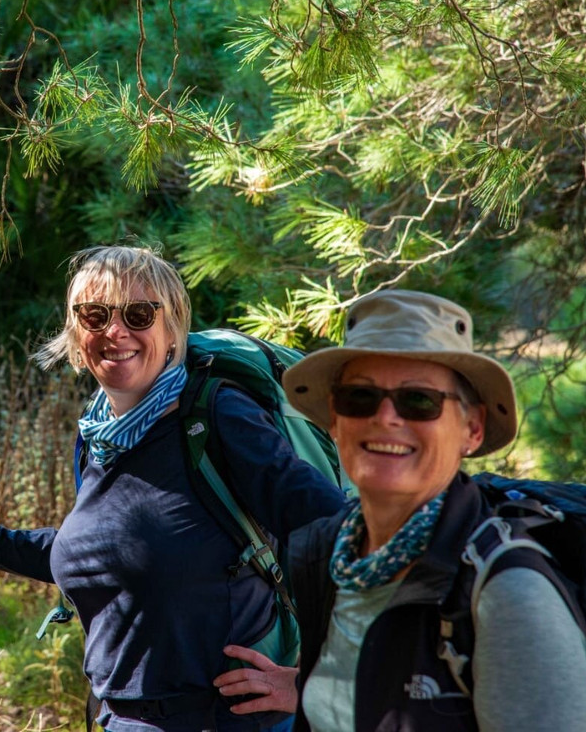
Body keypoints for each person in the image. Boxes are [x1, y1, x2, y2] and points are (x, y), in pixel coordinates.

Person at [0, 245, 347, 731]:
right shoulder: (97, 435)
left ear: (172, 329)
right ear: (76, 332)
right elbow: (113, 555)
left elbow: (335, 531)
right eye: (95, 315)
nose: (115, 331)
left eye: (138, 313)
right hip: (119, 717)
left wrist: (314, 681)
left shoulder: (216, 416)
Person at [223, 289, 586, 730]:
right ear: (335, 420)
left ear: (471, 430)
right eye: (360, 397)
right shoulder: (329, 552)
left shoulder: (505, 592)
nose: (387, 417)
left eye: (419, 400)